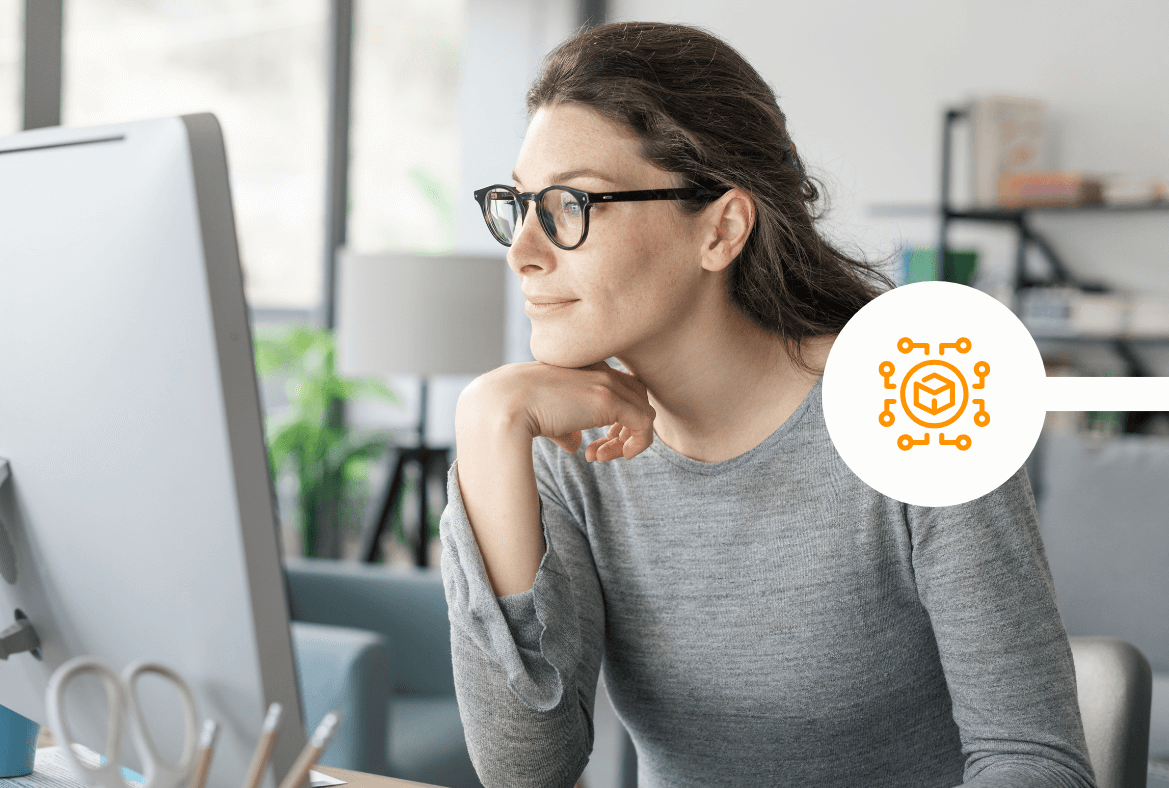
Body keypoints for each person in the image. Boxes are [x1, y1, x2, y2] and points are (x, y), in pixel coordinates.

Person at [439, 21, 1093, 788]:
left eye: (571, 202)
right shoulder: (567, 445)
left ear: (722, 229)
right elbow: (527, 772)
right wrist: (488, 423)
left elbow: (1033, 761)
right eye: (519, 204)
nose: (523, 249)